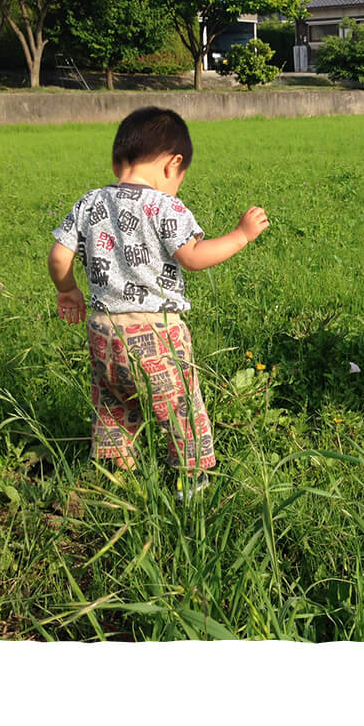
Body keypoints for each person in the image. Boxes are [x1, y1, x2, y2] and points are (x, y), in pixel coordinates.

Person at [47, 106, 269, 496]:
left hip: (103, 332)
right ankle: (191, 482)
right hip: (156, 334)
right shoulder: (166, 207)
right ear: (173, 164)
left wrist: (68, 290)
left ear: (118, 161)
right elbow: (194, 258)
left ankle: (119, 481)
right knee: (181, 411)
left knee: (115, 406)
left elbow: (59, 257)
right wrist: (242, 235)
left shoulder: (90, 202)